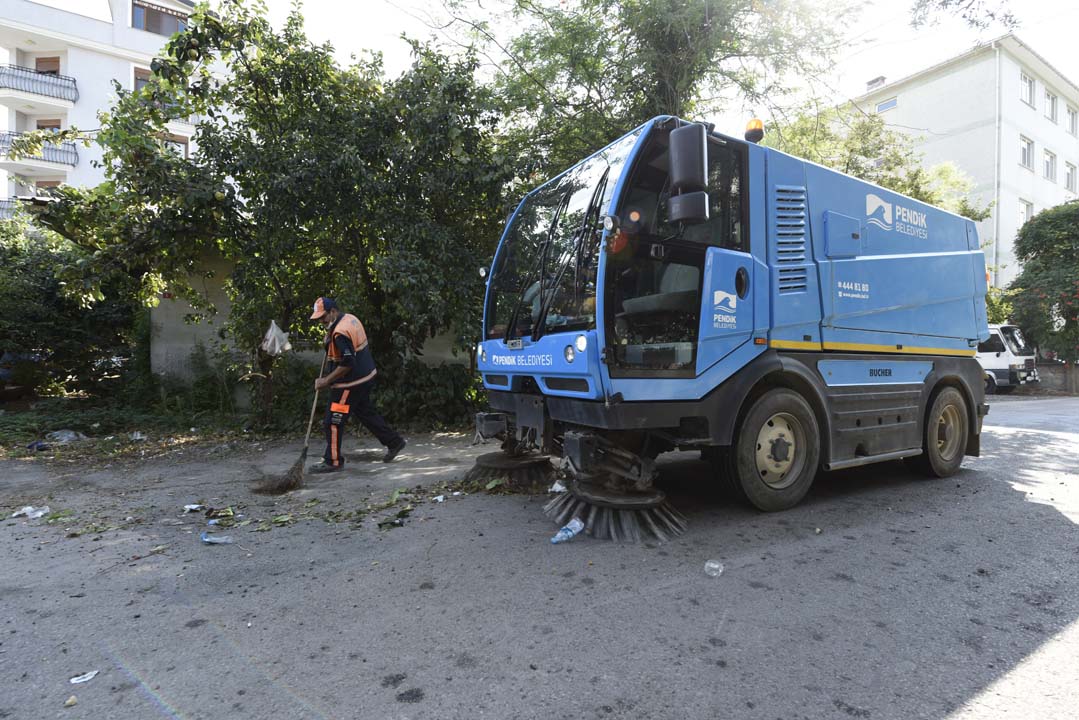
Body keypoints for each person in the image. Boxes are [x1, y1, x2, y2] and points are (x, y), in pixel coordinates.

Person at [308, 297, 406, 473]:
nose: (321, 321)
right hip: (366, 377)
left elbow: (347, 363)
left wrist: (326, 380)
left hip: (349, 384)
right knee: (365, 412)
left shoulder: (340, 333)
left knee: (333, 421)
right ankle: (394, 442)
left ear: (333, 312)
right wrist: (327, 341)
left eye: (323, 317)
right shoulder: (349, 319)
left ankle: (333, 461)